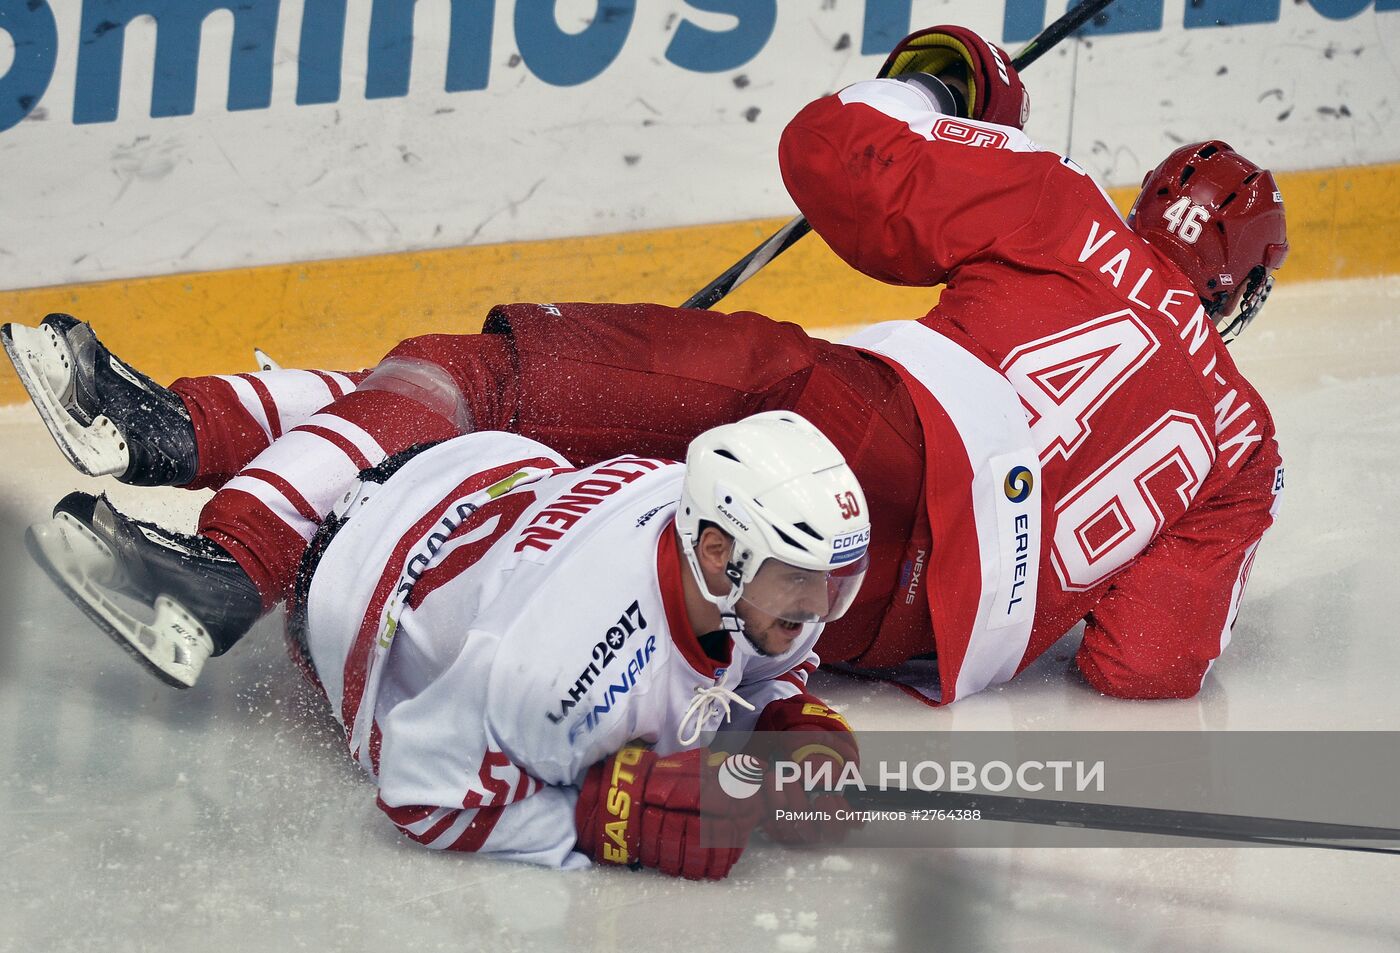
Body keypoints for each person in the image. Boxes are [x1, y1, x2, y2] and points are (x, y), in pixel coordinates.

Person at [5, 24, 1288, 705]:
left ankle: (225, 561)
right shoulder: (1242, 447)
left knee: (491, 380)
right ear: (1241, 291)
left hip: (831, 432)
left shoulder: (1064, 211)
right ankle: (177, 428)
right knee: (527, 433)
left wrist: (939, 84)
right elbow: (1148, 666)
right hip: (842, 620)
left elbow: (829, 154)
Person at [23, 405, 870, 877]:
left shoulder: (702, 526)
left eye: (836, 580)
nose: (820, 605)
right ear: (718, 553)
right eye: (802, 579)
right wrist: (596, 816)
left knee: (415, 385)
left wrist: (793, 726)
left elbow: (769, 664)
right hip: (344, 582)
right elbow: (418, 789)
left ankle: (212, 428)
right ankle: (218, 544)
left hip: (471, 464)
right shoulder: (548, 674)